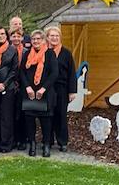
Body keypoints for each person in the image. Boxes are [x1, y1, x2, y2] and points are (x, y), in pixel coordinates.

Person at [20, 29, 59, 157]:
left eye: (38, 39)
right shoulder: (26, 55)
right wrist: (27, 88)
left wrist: (43, 89)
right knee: (29, 119)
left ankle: (46, 145)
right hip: (30, 93)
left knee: (46, 120)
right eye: (33, 39)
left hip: (45, 93)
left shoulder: (50, 54)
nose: (36, 41)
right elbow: (22, 72)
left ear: (43, 40)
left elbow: (54, 73)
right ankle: (32, 144)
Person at [45, 25, 77, 152]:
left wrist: (72, 91)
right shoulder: (44, 52)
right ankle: (48, 140)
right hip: (47, 88)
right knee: (48, 115)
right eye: (52, 36)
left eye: (57, 36)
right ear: (47, 37)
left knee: (61, 115)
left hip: (62, 88)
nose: (54, 38)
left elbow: (72, 73)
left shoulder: (66, 53)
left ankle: (62, 141)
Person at [9, 27, 28, 150]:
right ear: (10, 37)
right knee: (10, 114)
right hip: (10, 85)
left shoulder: (27, 51)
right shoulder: (7, 50)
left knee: (22, 113)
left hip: (23, 86)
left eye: (18, 36)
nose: (16, 38)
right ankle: (13, 139)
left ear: (22, 38)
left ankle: (23, 139)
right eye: (13, 36)